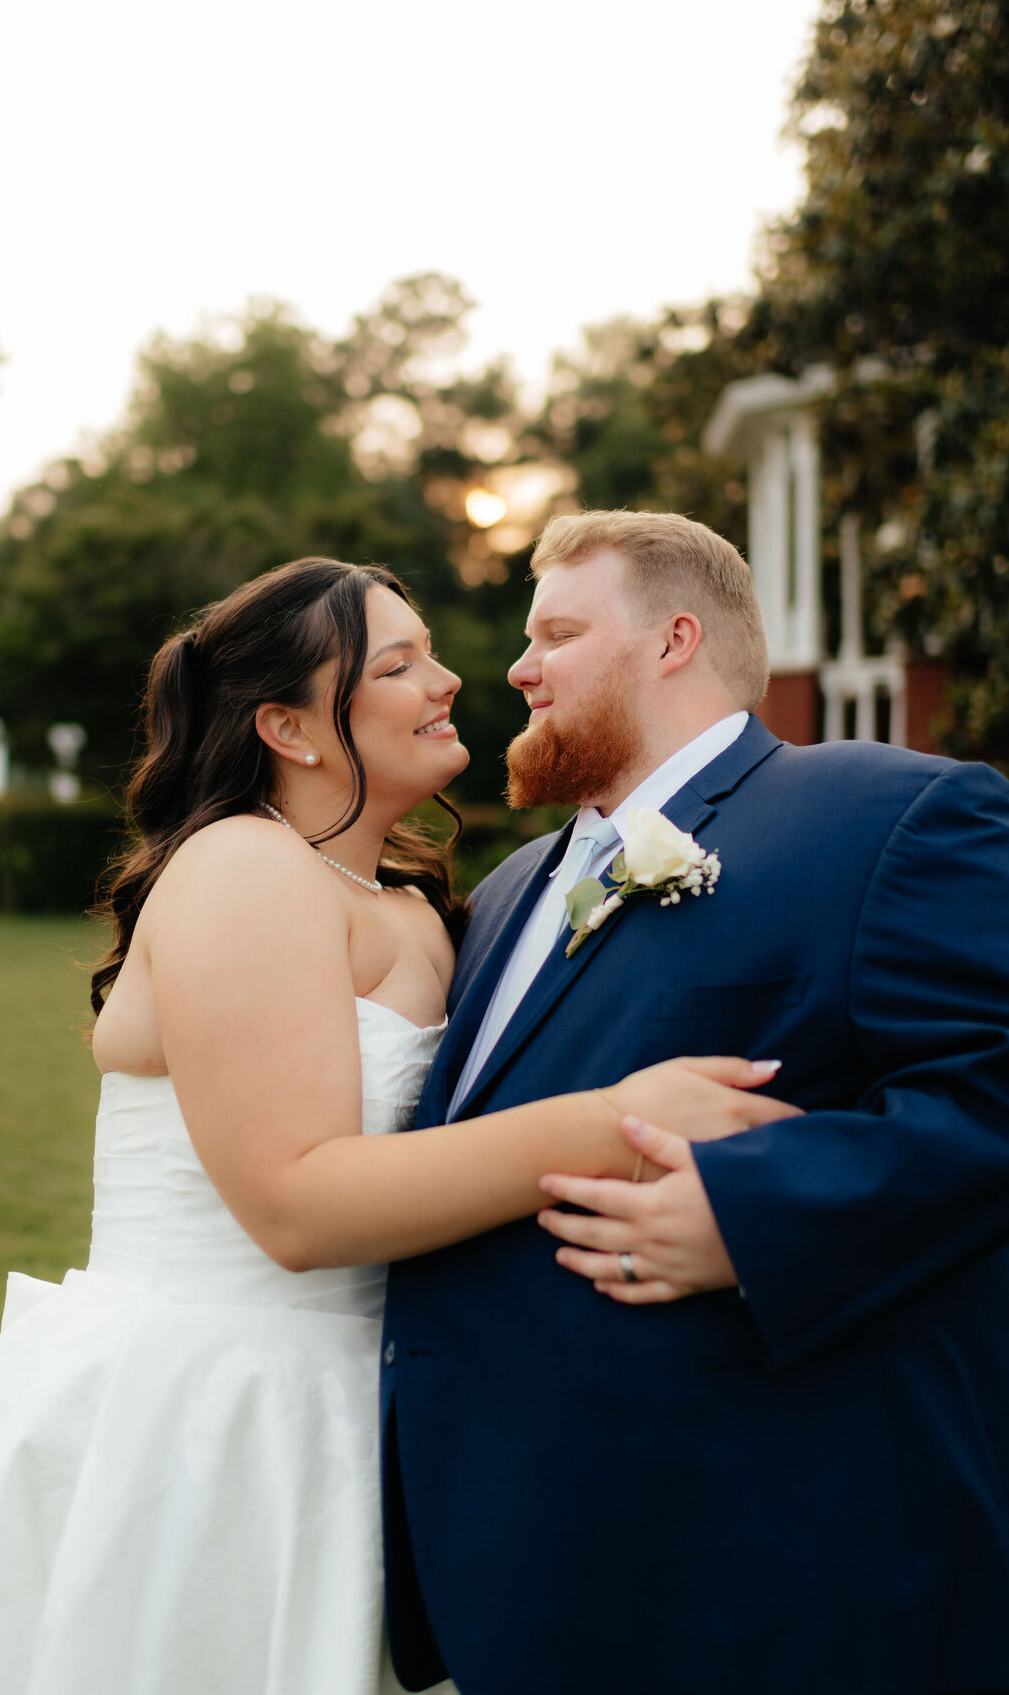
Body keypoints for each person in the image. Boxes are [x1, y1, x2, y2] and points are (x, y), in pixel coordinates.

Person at [0, 556, 794, 1695]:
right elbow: (292, 1205)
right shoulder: (243, 866)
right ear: (288, 727)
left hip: (354, 1398)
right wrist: (617, 1120)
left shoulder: (420, 907)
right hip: (204, 1409)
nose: (448, 681)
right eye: (399, 664)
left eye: (431, 654)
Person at [381, 507, 1009, 1695]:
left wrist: (750, 1212)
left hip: (770, 1567)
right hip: (525, 1551)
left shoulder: (887, 816)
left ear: (675, 640)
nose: (517, 669)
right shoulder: (506, 893)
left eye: (558, 635)